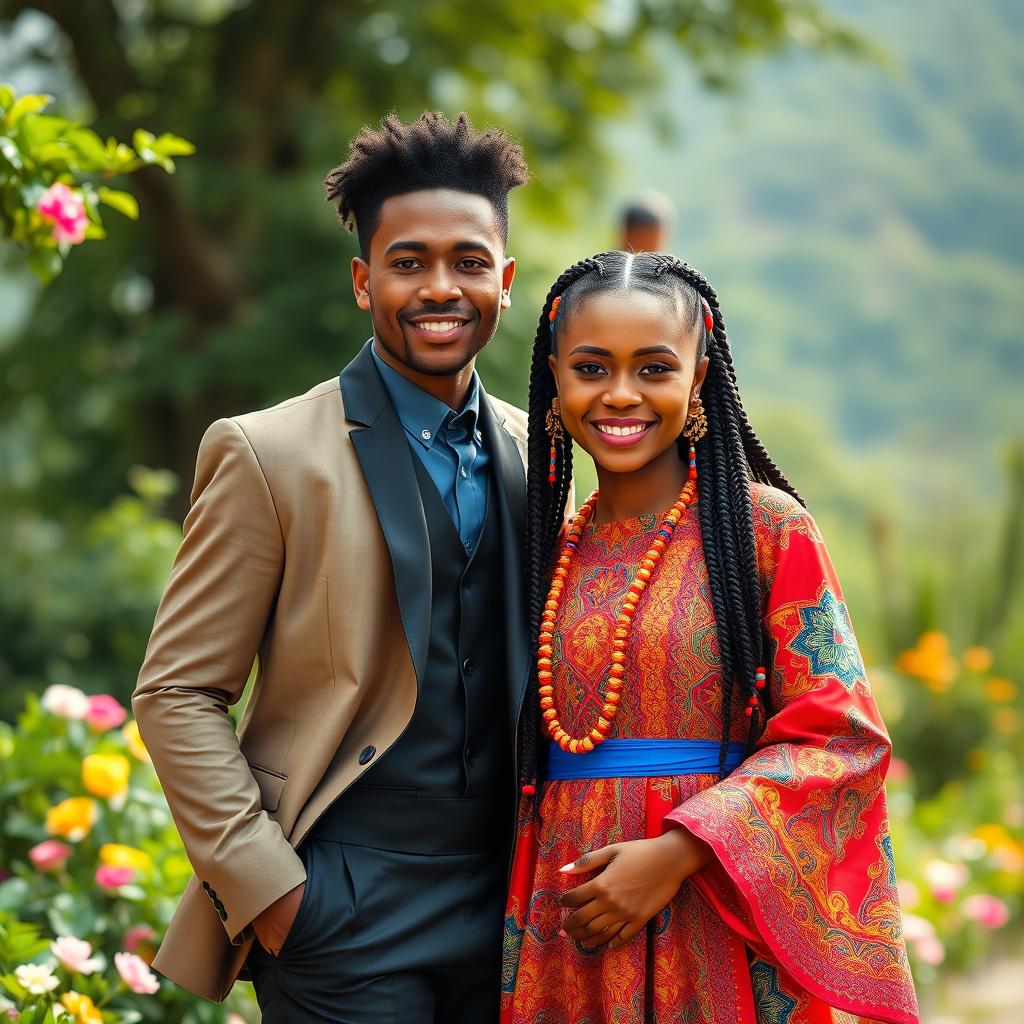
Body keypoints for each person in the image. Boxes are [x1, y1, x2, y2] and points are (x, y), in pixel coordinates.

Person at [133, 111, 531, 1023]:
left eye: (469, 262)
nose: (441, 287)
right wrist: (275, 894)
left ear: (504, 283)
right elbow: (176, 693)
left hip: (513, 902)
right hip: (343, 901)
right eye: (408, 262)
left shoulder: (539, 448)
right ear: (363, 281)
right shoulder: (266, 453)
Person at [501, 251, 920, 1024]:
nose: (620, 393)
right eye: (591, 367)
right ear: (555, 380)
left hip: (715, 909)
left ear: (697, 379)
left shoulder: (765, 530)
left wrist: (680, 852)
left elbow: (841, 738)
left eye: (653, 368)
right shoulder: (547, 552)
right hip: (571, 925)